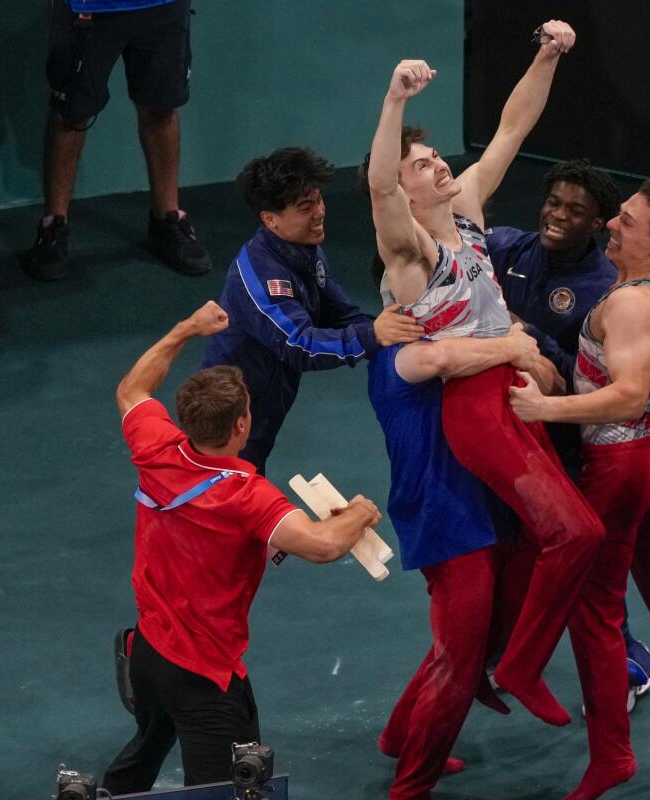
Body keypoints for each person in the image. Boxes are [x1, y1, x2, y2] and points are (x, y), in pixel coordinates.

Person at [364, 21, 606, 728]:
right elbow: (380, 189)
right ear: (406, 196)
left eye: (440, 160)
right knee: (526, 549)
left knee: (523, 548)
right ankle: (508, 669)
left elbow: (511, 128)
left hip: (499, 392)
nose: (441, 167)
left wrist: (548, 52)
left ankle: (474, 681)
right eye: (424, 166)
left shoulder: (464, 216)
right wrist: (393, 102)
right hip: (454, 404)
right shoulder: (408, 249)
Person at [101, 300, 382, 793]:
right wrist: (360, 512)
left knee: (145, 752)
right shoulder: (246, 497)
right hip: (203, 675)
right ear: (241, 427)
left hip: (148, 653)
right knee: (230, 789)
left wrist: (186, 327)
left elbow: (133, 388)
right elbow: (321, 545)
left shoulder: (157, 447)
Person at [510, 180, 650, 799]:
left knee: (595, 608)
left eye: (626, 222)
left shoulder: (630, 304)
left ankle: (611, 756)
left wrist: (544, 408)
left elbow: (628, 392)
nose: (610, 226)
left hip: (619, 462)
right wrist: (647, 396)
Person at [489, 159, 650, 706]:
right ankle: (499, 651)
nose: (558, 216)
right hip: (504, 433)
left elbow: (587, 382)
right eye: (554, 203)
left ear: (599, 222)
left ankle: (626, 664)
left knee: (587, 565)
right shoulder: (511, 248)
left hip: (567, 443)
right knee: (501, 546)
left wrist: (527, 337)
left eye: (575, 210)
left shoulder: (607, 291)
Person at [368, 313, 541, 800]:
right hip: (444, 519)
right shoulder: (403, 355)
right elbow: (448, 356)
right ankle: (411, 787)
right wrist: (510, 342)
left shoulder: (434, 340)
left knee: (459, 646)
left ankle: (400, 737)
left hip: (464, 511)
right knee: (460, 665)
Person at [200, 147, 424, 474]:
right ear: (270, 219)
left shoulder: (305, 250)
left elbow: (342, 315)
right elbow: (300, 345)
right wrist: (374, 334)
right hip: (224, 418)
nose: (319, 212)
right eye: (306, 207)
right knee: (225, 500)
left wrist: (405, 334)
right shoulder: (258, 276)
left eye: (319, 200)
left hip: (261, 407)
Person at [23, 0, 211, 281]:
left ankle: (167, 219)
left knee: (161, 108)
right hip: (86, 8)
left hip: (163, 7)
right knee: (71, 114)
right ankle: (54, 226)